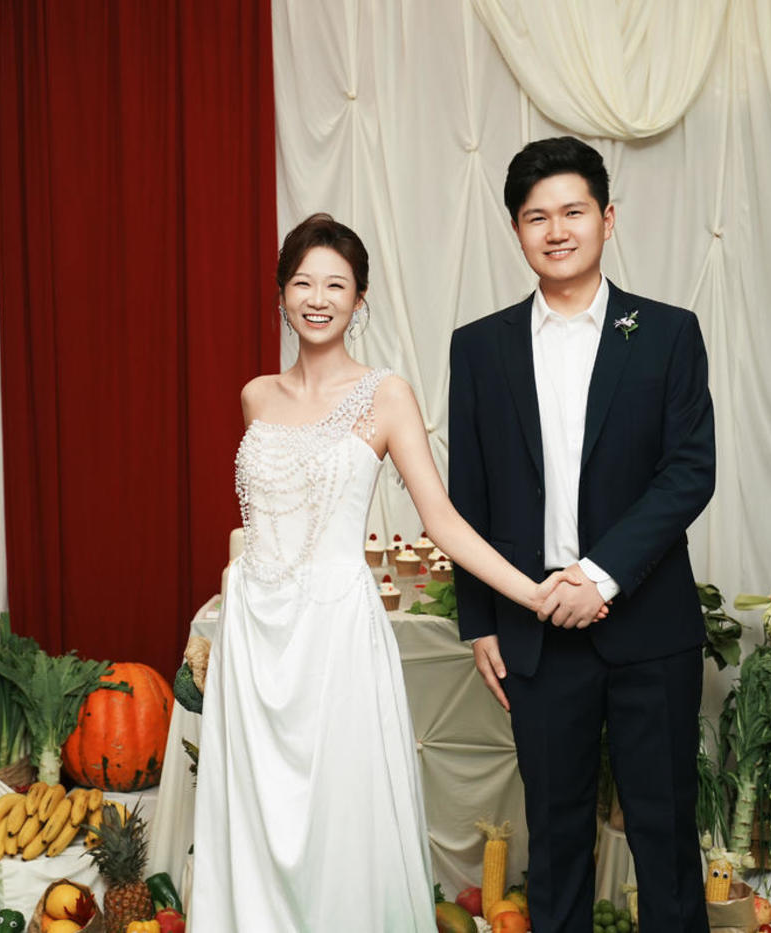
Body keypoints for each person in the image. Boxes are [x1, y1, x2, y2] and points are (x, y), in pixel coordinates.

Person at [189, 212, 599, 931]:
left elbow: (441, 520)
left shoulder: (386, 394)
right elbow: (258, 524)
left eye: (336, 284)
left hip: (335, 634)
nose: (319, 298)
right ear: (282, 295)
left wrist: (535, 594)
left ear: (360, 298)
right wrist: (220, 617)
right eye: (303, 283)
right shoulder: (257, 395)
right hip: (254, 638)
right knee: (256, 812)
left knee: (339, 815)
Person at [448, 137, 716, 932]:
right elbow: (468, 494)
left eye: (573, 211)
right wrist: (479, 621)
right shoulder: (480, 346)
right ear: (516, 229)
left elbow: (688, 472)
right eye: (537, 217)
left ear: (607, 218)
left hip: (649, 625)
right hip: (532, 629)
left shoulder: (667, 332)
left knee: (665, 836)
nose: (556, 230)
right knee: (556, 838)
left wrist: (598, 575)